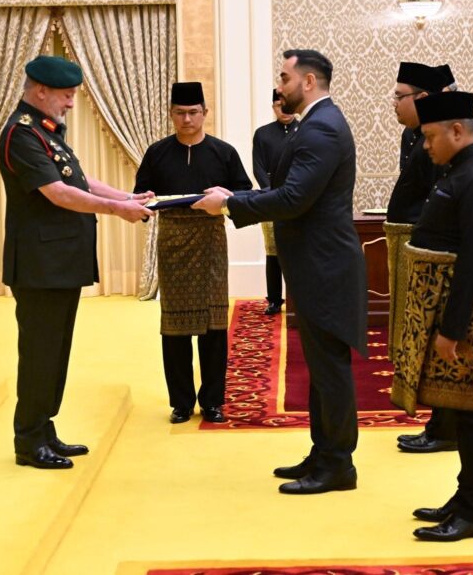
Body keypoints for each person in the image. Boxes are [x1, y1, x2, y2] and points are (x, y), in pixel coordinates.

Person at [194, 49, 367, 495]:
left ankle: (338, 464)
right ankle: (323, 452)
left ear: (308, 82)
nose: (279, 85)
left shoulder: (321, 128)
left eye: (285, 77)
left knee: (330, 369)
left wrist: (230, 204)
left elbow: (293, 198)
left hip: (324, 266)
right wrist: (233, 196)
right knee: (321, 367)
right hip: (315, 264)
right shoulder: (314, 124)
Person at [0, 55, 152, 470]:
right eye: (66, 95)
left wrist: (125, 196)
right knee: (40, 352)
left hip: (59, 262)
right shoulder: (21, 134)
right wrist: (117, 210)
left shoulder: (45, 130)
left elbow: (78, 180)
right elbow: (58, 193)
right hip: (40, 266)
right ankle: (29, 440)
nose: (70, 103)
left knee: (55, 351)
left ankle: (44, 429)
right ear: (40, 91)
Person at [390, 91, 473, 542]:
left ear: (457, 131)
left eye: (431, 137)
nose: (425, 146)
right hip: (457, 305)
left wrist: (453, 329)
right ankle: (464, 498)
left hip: (472, 310)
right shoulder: (459, 170)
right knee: (461, 408)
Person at [135, 82, 252, 424]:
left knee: (214, 325)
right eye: (180, 113)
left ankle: (213, 401)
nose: (187, 119)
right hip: (172, 241)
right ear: (171, 114)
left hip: (210, 240)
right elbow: (140, 195)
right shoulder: (157, 153)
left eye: (193, 112)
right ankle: (181, 403)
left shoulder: (223, 152)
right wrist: (146, 202)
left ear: (204, 113)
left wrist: (225, 196)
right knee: (174, 326)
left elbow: (244, 193)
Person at [388, 63, 473, 454]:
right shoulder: (414, 136)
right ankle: (439, 424)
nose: (394, 103)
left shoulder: (471, 164)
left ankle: (446, 429)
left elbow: (445, 204)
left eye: (400, 96)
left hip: (442, 260)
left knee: (443, 342)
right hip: (421, 251)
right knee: (425, 341)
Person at [251, 88, 298, 315]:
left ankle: (298, 299)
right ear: (273, 107)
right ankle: (274, 299)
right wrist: (271, 194)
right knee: (273, 251)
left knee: (298, 251)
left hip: (298, 199)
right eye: (280, 106)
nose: (285, 110)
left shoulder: (305, 131)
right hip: (270, 201)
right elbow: (258, 168)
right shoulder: (262, 134)